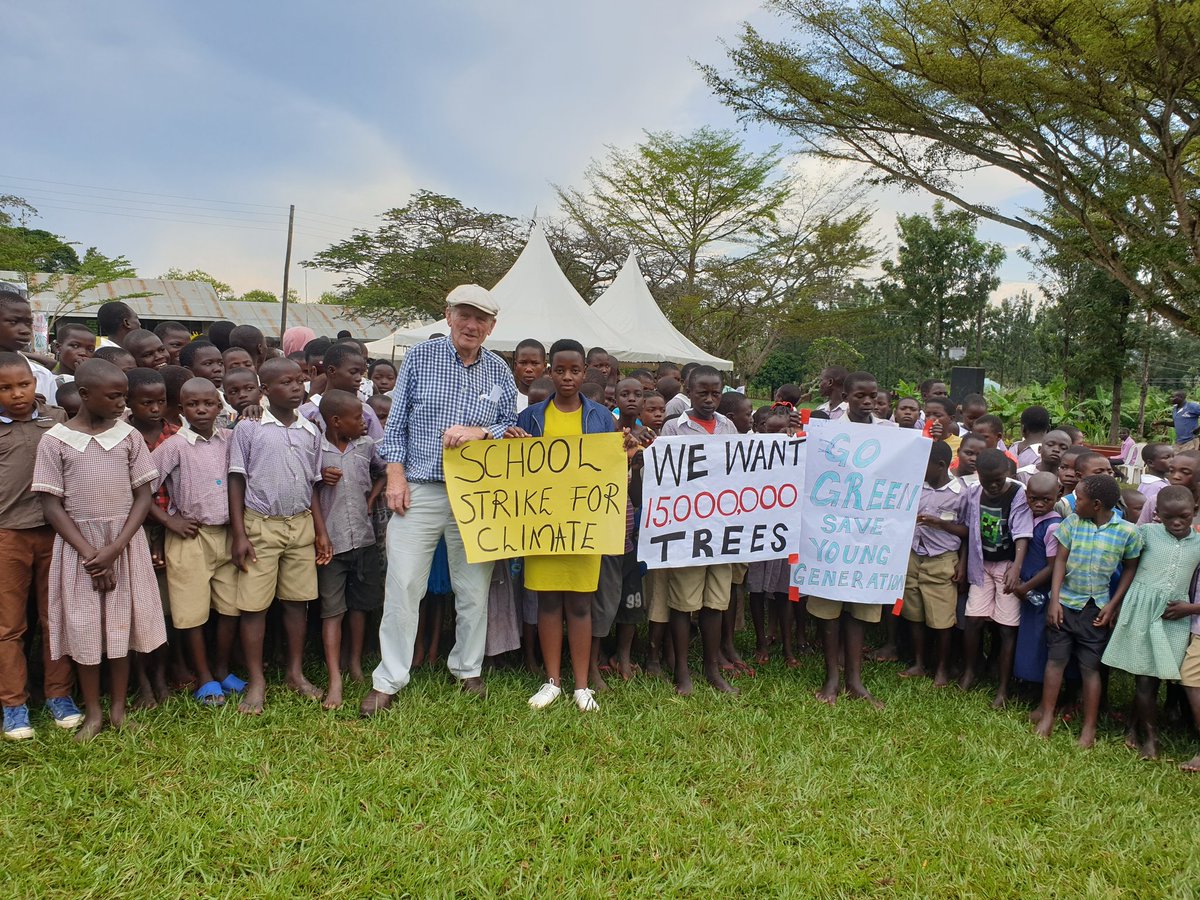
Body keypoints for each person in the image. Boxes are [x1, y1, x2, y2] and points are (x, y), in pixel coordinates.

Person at [361, 284, 518, 717]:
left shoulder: (499, 372)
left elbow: (511, 424)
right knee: (404, 584)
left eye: (480, 319)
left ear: (491, 326)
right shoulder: (419, 358)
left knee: (473, 587)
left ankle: (467, 668)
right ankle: (389, 678)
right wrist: (395, 475)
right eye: (464, 315)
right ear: (448, 316)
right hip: (421, 487)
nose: (471, 325)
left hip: (477, 494)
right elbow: (397, 425)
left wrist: (482, 432)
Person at [32, 358, 167, 740]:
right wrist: (92, 553)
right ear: (85, 395)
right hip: (79, 550)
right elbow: (51, 505)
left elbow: (144, 496)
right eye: (113, 396)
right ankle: (94, 711)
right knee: (86, 628)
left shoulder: (127, 437)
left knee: (121, 626)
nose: (122, 403)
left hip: (123, 543)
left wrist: (115, 548)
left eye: (124, 395)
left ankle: (119, 709)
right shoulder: (55, 441)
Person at [228, 357, 333, 714]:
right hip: (261, 525)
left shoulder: (310, 430)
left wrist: (320, 531)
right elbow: (236, 479)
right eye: (285, 383)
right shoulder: (249, 428)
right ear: (265, 389)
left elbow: (314, 485)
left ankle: (294, 672)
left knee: (297, 602)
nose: (295, 388)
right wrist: (239, 533)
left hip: (300, 524)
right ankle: (257, 681)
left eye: (299, 381)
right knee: (254, 606)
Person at [516, 339, 615, 711]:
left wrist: (628, 451)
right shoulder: (532, 417)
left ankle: (581, 685)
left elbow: (610, 464)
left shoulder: (600, 416)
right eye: (560, 370)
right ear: (549, 371)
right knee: (547, 604)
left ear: (585, 370)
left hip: (584, 524)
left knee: (580, 605)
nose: (567, 377)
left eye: (575, 370)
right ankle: (552, 681)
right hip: (542, 523)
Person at [0, 353, 83, 739]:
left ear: (35, 383)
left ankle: (59, 695)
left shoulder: (57, 419)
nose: (17, 395)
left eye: (24, 385)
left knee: (57, 617)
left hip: (55, 534)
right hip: (8, 536)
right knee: (10, 625)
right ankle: (14, 704)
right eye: (5, 388)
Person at [150, 378, 244, 708]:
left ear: (220, 407)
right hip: (190, 537)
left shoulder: (231, 439)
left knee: (231, 607)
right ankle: (204, 676)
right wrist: (168, 520)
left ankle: (221, 667)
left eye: (208, 403)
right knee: (192, 612)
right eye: (192, 404)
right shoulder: (174, 446)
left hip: (228, 535)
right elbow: (140, 488)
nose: (201, 409)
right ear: (181, 409)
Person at [1035, 474, 1141, 748]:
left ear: (1095, 504)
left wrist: (1113, 605)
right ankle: (1047, 716)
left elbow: (1130, 567)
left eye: (1078, 499)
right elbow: (1060, 560)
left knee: (1090, 668)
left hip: (1096, 609)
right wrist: (1054, 600)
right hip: (1065, 605)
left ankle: (1089, 728)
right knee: (1055, 660)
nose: (1073, 502)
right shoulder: (1071, 523)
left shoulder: (1127, 532)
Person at [658, 365, 740, 696]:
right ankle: (681, 671)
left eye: (715, 393)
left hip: (721, 530)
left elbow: (741, 471)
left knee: (716, 602)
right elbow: (664, 476)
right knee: (683, 600)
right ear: (688, 392)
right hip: (687, 527)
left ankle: (712, 668)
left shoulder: (728, 426)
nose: (709, 399)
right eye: (702, 393)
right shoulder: (673, 427)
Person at [1101, 485, 1200, 759]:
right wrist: (1117, 605)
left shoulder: (1199, 543)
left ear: (1194, 511)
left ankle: (1133, 728)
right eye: (1169, 518)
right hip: (1141, 610)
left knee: (1156, 676)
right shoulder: (1145, 534)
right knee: (1144, 677)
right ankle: (1151, 739)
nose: (1177, 523)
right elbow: (1126, 566)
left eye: (1183, 516)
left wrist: (1188, 608)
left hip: (1174, 616)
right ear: (1157, 515)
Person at [315, 390, 385, 711]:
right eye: (358, 418)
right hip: (332, 544)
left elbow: (385, 471)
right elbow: (309, 489)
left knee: (360, 607)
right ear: (336, 421)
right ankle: (334, 679)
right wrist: (319, 479)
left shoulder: (366, 446)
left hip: (364, 539)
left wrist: (372, 499)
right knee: (333, 610)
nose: (364, 422)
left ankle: (355, 663)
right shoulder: (317, 449)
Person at [961, 448, 1032, 707]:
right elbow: (968, 530)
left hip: (1007, 565)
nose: (992, 486)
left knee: (1006, 627)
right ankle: (970, 671)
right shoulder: (973, 493)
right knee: (973, 619)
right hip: (981, 564)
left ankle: (1003, 687)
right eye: (986, 480)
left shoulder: (1018, 493)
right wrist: (962, 562)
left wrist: (1016, 568)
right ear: (977, 475)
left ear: (1007, 473)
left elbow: (1022, 532)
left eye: (998, 480)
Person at [126, 367, 178, 706]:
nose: (155, 409)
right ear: (129, 402)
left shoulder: (175, 435)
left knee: (166, 607)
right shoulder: (122, 437)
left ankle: (161, 673)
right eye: (146, 403)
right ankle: (141, 678)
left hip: (172, 526)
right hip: (135, 529)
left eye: (160, 401)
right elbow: (130, 493)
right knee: (138, 608)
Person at [900, 440, 968, 686]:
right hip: (914, 555)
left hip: (941, 559)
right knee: (914, 612)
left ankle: (943, 667)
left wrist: (941, 524)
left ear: (941, 465)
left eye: (924, 465)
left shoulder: (961, 494)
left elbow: (968, 531)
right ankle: (919, 662)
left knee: (941, 619)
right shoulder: (917, 487)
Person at [1012, 472, 1063, 685]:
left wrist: (1026, 588)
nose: (1039, 504)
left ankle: (1036, 682)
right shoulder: (1025, 517)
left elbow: (1053, 566)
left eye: (1046, 500)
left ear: (1057, 496)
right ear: (1026, 495)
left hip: (1038, 589)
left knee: (1038, 637)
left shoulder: (1054, 525)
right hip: (1023, 586)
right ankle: (1023, 677)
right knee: (1025, 635)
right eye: (1034, 498)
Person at [300, 343, 384, 441]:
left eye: (361, 374)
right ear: (332, 371)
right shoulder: (308, 413)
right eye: (353, 372)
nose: (359, 379)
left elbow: (379, 449)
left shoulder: (365, 412)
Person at [0, 292, 58, 403]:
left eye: (28, 323)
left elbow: (53, 418)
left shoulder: (42, 376)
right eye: (13, 322)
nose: (25, 330)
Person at [513, 338, 547, 412]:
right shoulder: (508, 400)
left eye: (534, 363)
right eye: (523, 363)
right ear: (515, 366)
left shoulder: (554, 400)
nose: (529, 369)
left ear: (544, 366)